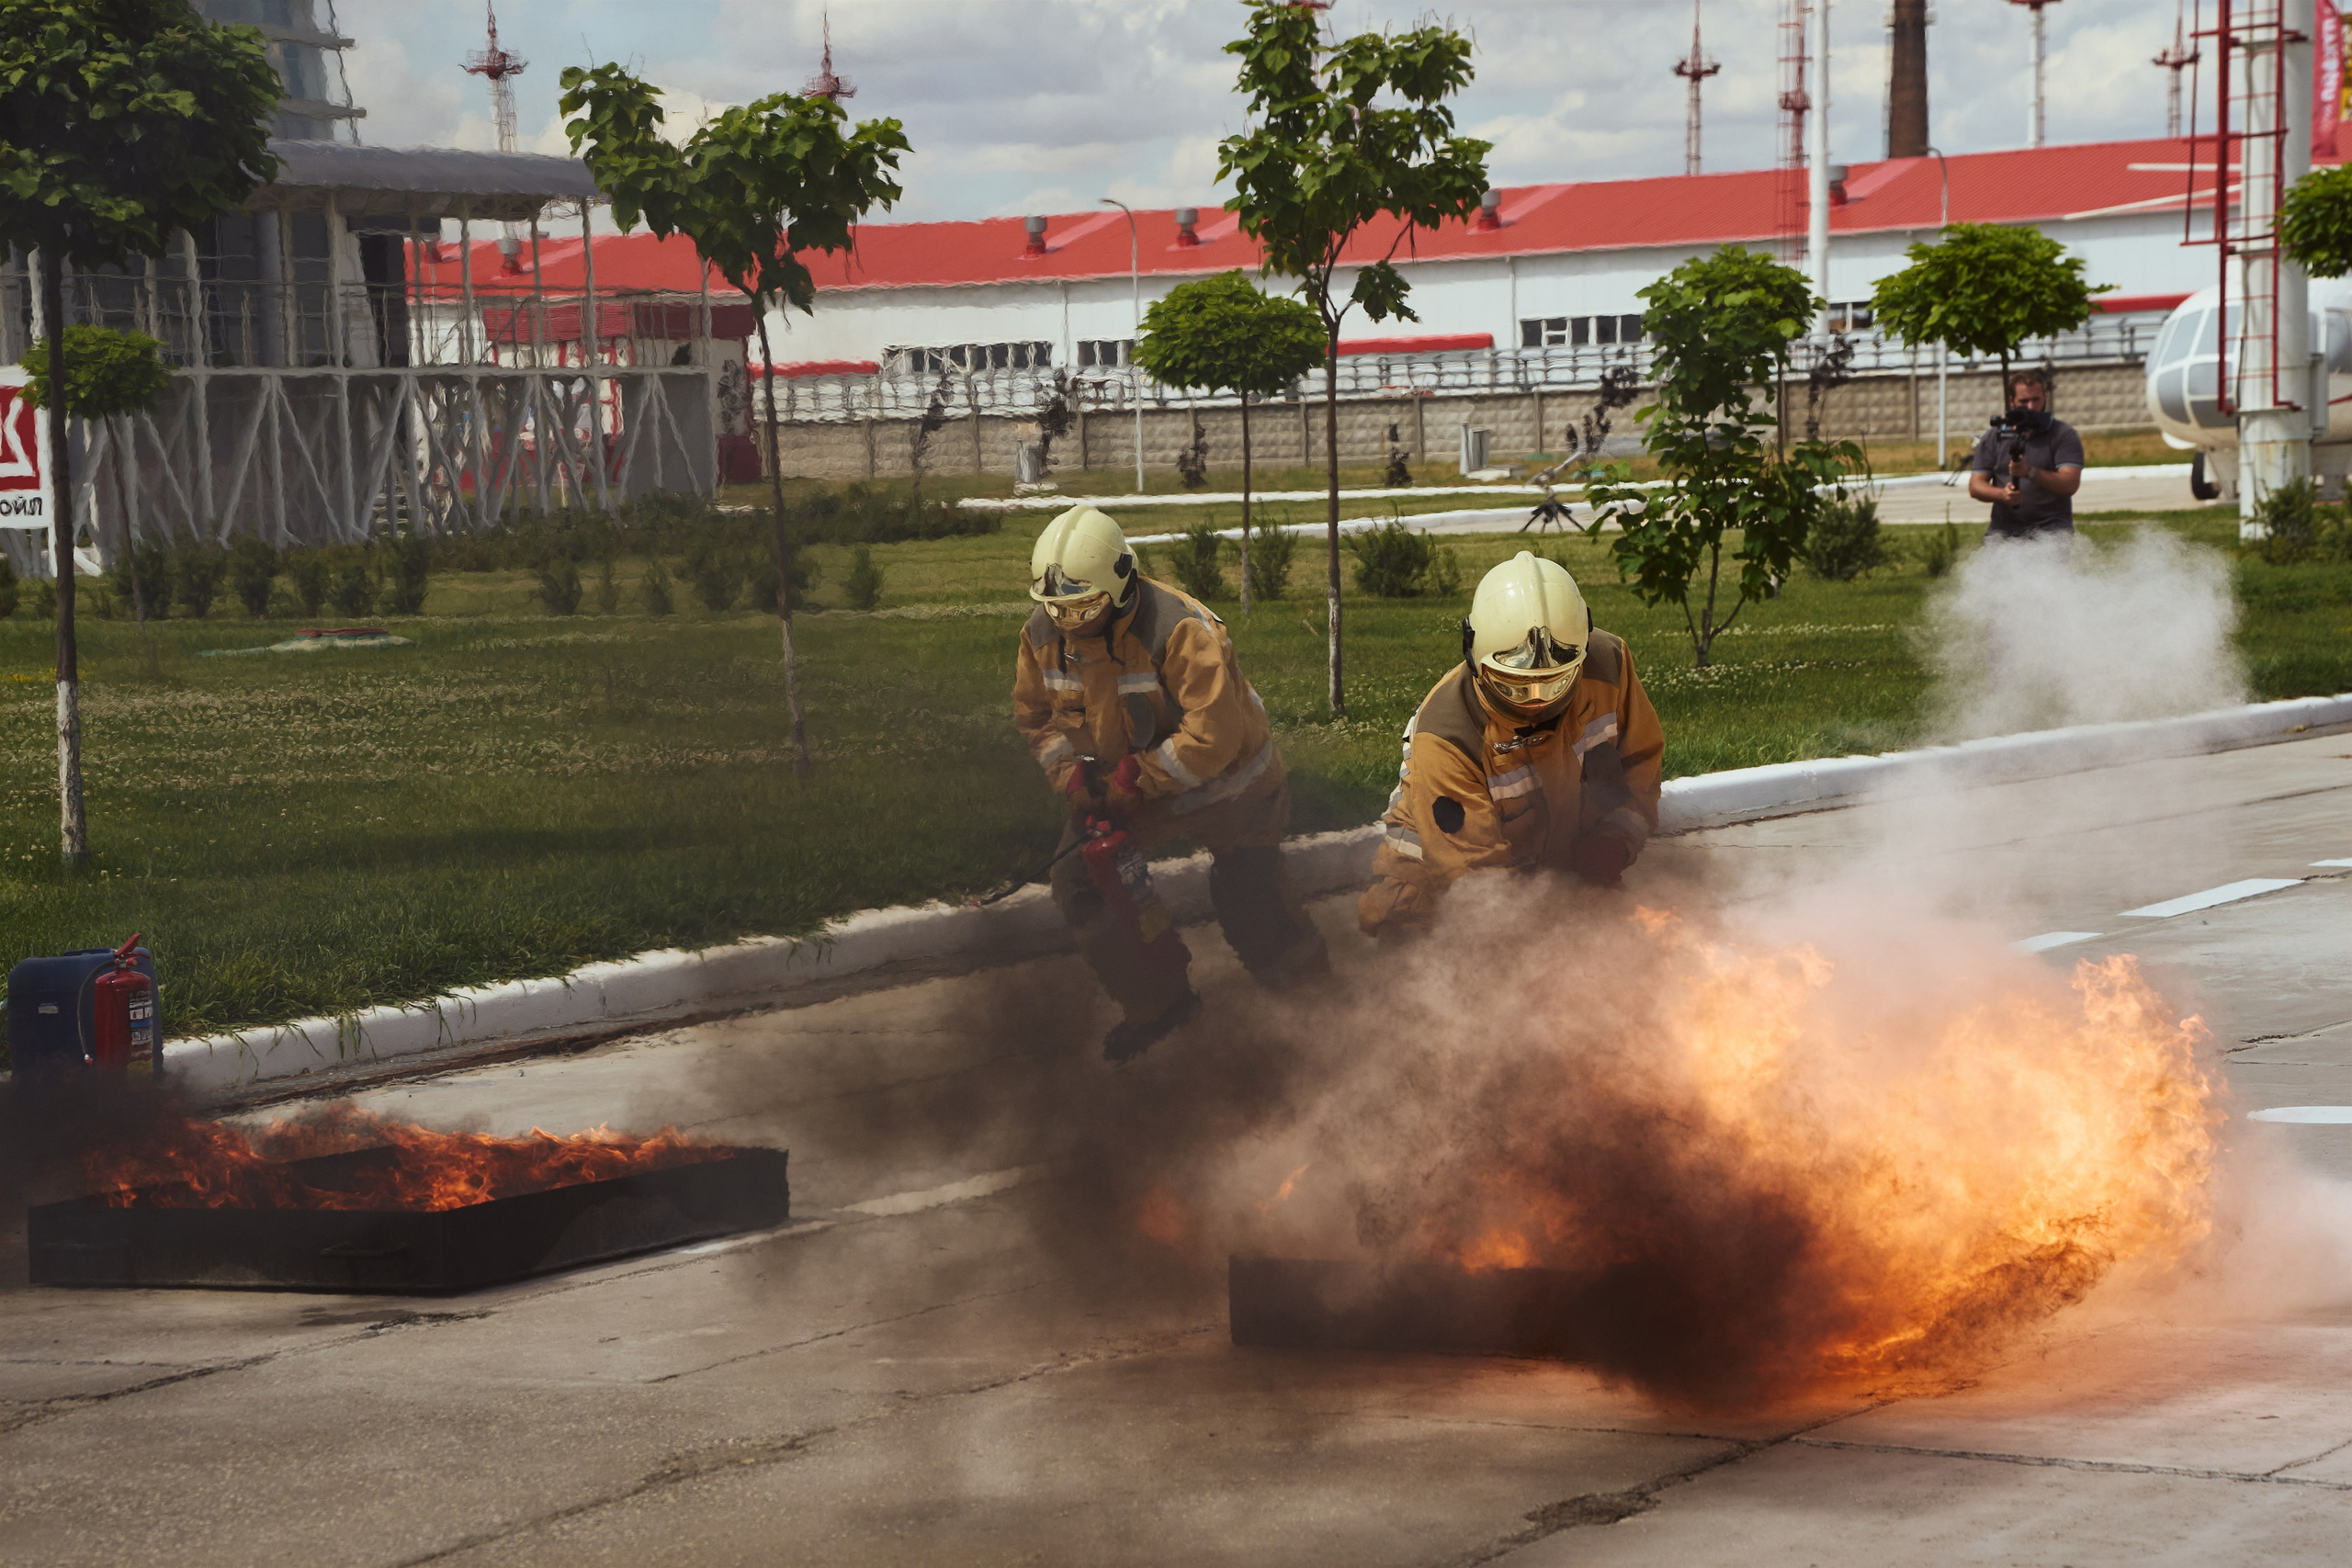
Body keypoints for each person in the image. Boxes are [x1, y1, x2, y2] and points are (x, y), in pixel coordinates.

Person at [1013, 504, 1328, 1061]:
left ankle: (1315, 1013)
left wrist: (1141, 777)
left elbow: (1212, 737)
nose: (1068, 621)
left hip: (1233, 787)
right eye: (1056, 607)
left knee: (1247, 892)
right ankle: (1159, 1002)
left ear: (1119, 583)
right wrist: (1072, 776)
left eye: (1083, 606)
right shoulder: (1041, 636)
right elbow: (1037, 717)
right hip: (1126, 788)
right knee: (1082, 880)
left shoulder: (1179, 627)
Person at [1359, 551, 1663, 940]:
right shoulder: (1447, 735)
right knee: (1450, 976)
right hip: (1446, 884)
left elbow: (1642, 763)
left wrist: (1615, 842)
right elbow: (1476, 884)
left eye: (1556, 683)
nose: (1538, 700)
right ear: (1473, 654)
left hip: (1553, 864)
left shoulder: (1609, 664)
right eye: (1514, 686)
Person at [1967, 368, 2085, 540]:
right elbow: (1975, 485)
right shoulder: (1995, 436)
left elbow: (2070, 484)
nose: (2031, 407)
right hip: (2003, 532)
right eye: (2024, 401)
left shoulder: (2063, 434)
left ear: (2044, 397)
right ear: (2012, 401)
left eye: (2036, 399)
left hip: (2051, 532)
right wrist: (2003, 495)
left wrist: (2030, 472)